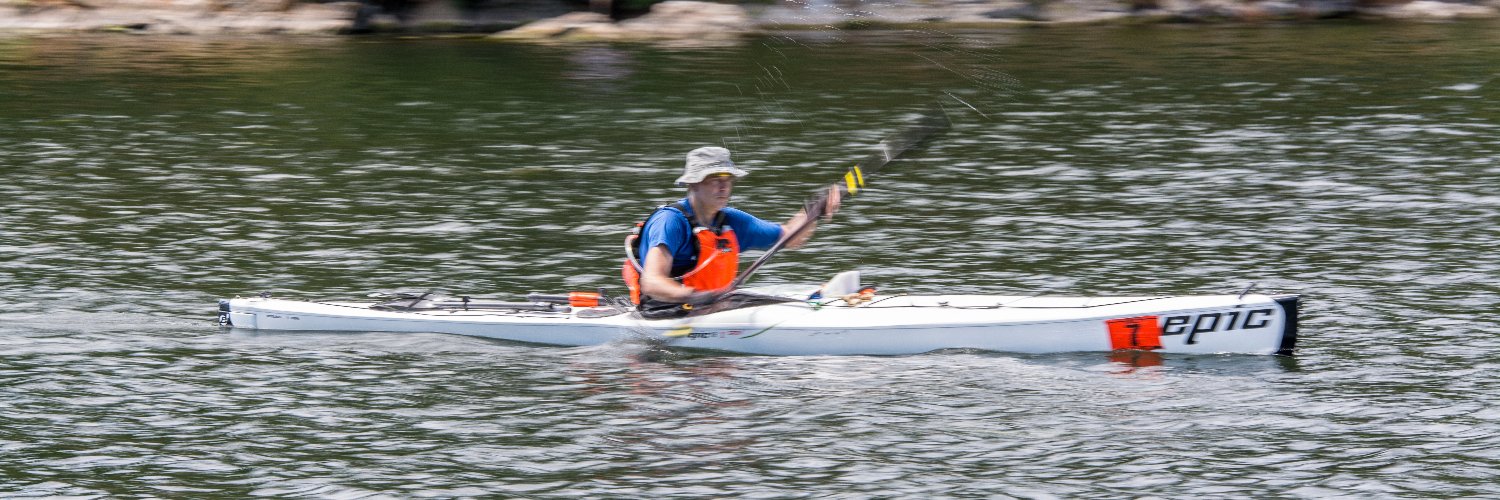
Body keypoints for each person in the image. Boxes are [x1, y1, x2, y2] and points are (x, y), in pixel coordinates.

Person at [623, 146, 841, 318]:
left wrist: (812, 211)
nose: (723, 187)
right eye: (715, 179)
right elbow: (652, 283)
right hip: (665, 311)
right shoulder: (670, 222)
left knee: (776, 303)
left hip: (714, 307)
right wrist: (696, 297)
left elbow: (790, 237)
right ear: (693, 184)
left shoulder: (731, 221)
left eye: (728, 179)